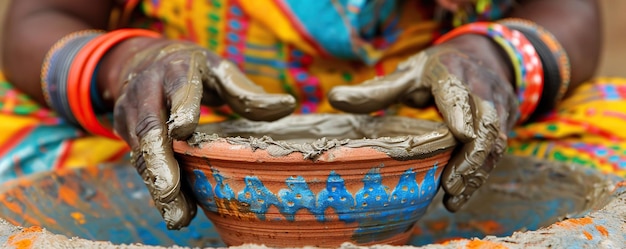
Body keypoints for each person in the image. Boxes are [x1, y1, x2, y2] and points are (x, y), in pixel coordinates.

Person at [1, 0, 624, 230]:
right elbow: (35, 21)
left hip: (435, 124)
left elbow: (574, 13)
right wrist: (130, 62)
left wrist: (490, 55)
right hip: (173, 125)